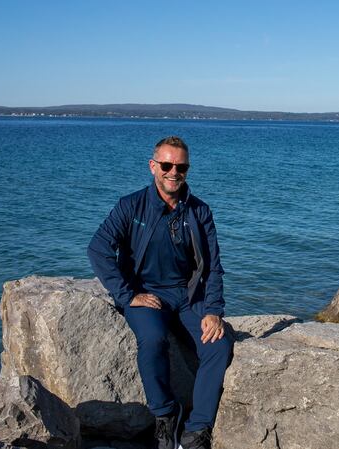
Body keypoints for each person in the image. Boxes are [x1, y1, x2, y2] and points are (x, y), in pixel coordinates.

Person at [87, 136, 232, 449]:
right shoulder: (131, 206)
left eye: (181, 167)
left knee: (218, 346)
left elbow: (214, 268)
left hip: (188, 297)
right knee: (152, 340)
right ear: (153, 167)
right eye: (166, 165)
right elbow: (98, 248)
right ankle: (166, 417)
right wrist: (127, 295)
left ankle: (196, 431)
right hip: (147, 296)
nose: (173, 172)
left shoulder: (199, 211)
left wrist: (213, 311)